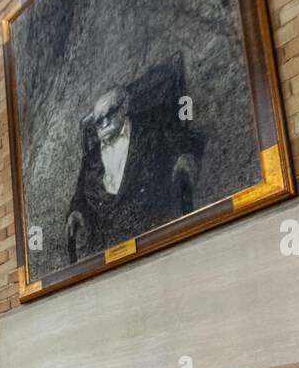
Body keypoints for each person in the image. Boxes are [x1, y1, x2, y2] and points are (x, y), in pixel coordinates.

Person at [66, 83, 203, 260]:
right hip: (109, 245)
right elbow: (80, 197)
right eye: (99, 121)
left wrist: (186, 156)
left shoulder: (150, 132)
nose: (105, 123)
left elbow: (185, 139)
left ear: (124, 107)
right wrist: (75, 211)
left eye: (110, 114)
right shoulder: (90, 160)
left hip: (152, 230)